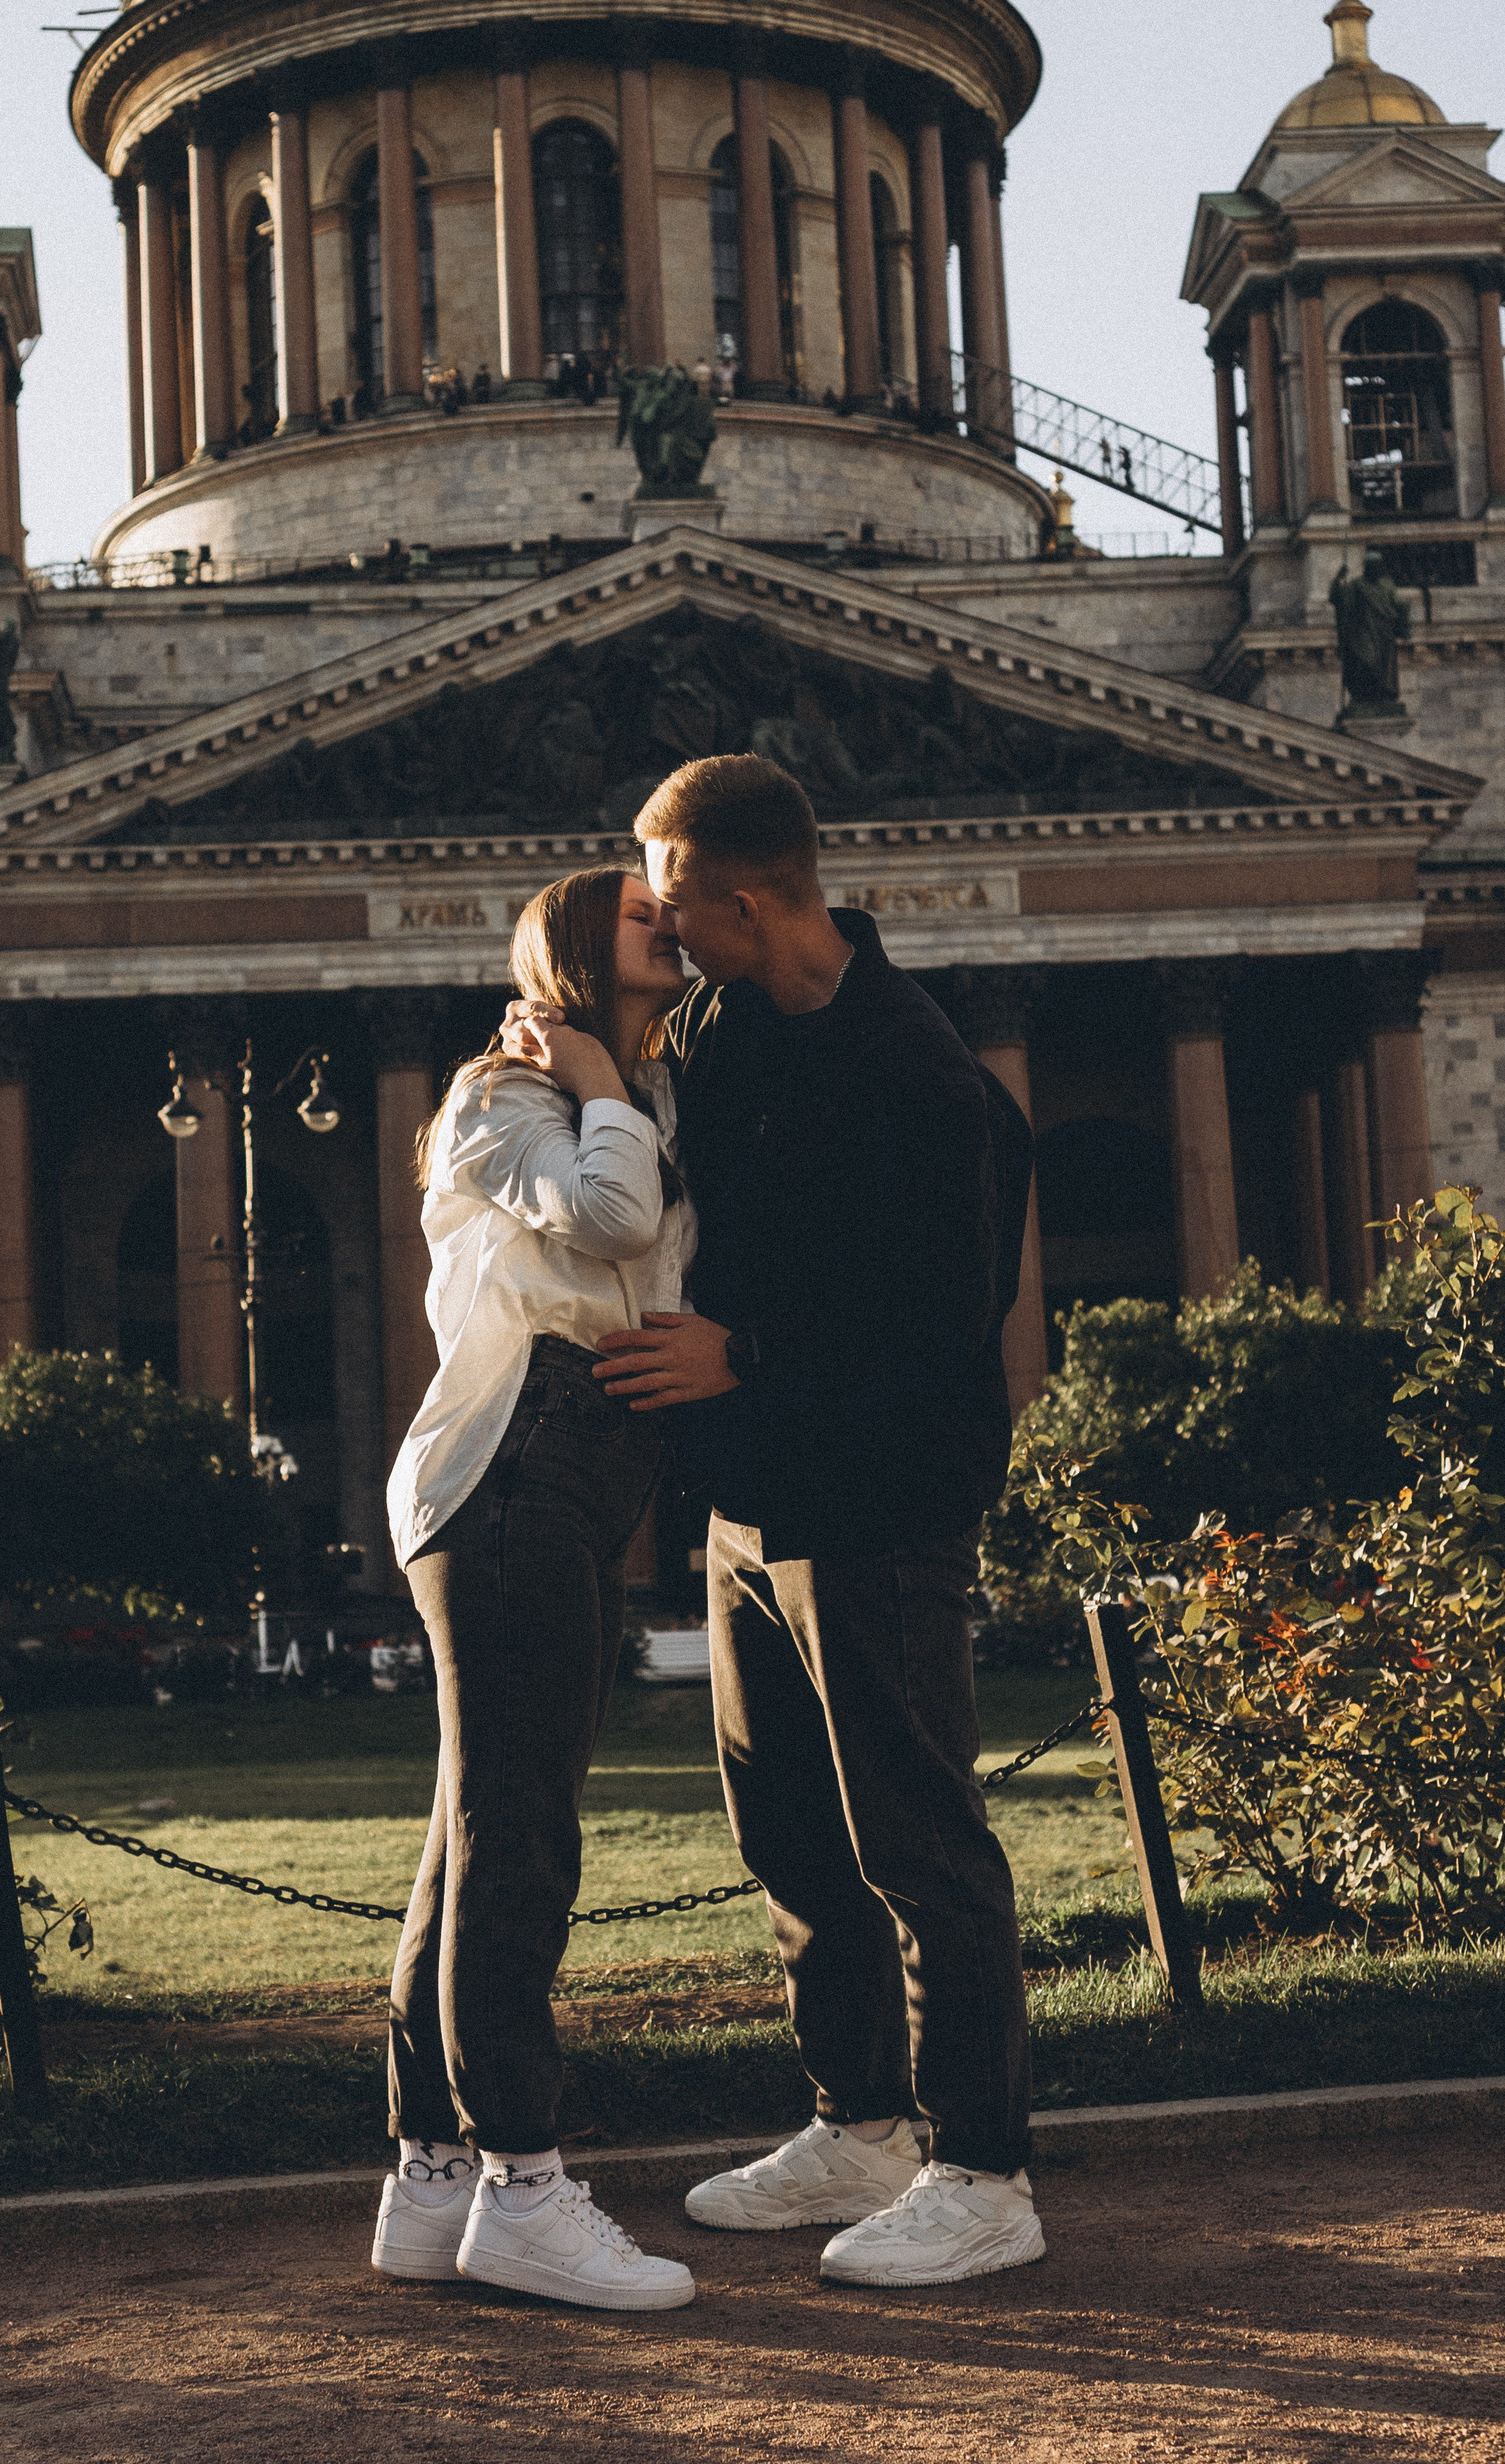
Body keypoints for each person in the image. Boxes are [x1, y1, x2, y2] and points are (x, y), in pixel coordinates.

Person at [505, 754, 1042, 2288]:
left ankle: (984, 2170)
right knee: (792, 1835)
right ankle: (860, 2125)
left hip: (879, 1504)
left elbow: (945, 1326)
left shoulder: (923, 1081)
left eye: (669, 902)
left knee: (917, 1840)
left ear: (746, 902)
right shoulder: (729, 1027)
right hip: (753, 1496)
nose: (658, 933)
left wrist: (747, 1356)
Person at [373, 867, 699, 2312]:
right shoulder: (504, 1095)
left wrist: (618, 1081)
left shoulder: (632, 1088)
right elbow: (613, 1223)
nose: (670, 926)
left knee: (472, 1830)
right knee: (519, 1838)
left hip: (567, 1467)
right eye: (643, 916)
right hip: (513, 1464)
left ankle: (429, 2176)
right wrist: (584, 1073)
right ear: (575, 952)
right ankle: (523, 2183)